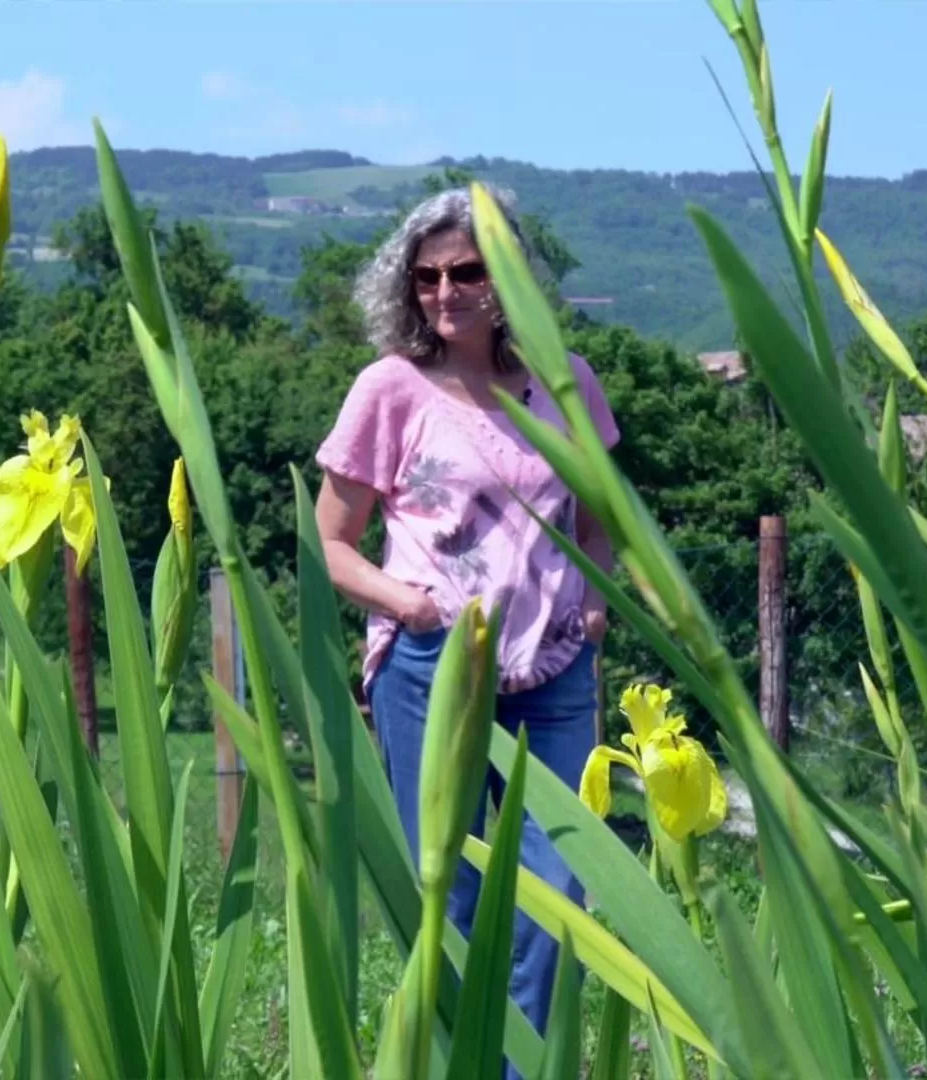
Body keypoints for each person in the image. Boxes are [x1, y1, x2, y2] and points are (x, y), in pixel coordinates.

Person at [313, 186, 619, 1069]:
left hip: (553, 672)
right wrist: (407, 605)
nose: (444, 291)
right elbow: (329, 545)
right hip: (430, 669)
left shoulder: (565, 381)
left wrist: (594, 601)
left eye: (467, 271)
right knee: (444, 892)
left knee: (554, 898)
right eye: (427, 277)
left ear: (507, 276)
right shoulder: (391, 389)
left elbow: (598, 513)